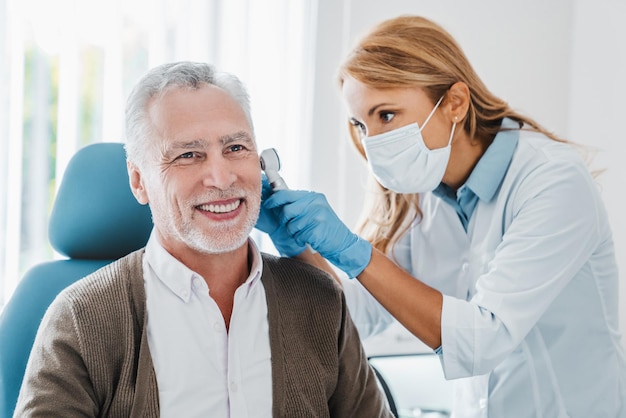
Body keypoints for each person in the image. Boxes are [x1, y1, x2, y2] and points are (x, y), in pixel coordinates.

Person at [258, 15, 626, 418]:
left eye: (386, 115)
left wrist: (352, 249)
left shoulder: (552, 180)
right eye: (360, 124)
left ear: (454, 103)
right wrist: (298, 247)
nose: (372, 143)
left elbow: (483, 339)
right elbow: (353, 317)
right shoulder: (422, 197)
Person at [13, 61, 392, 417]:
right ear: (138, 180)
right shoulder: (82, 318)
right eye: (189, 155)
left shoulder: (321, 301)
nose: (221, 177)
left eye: (235, 149)